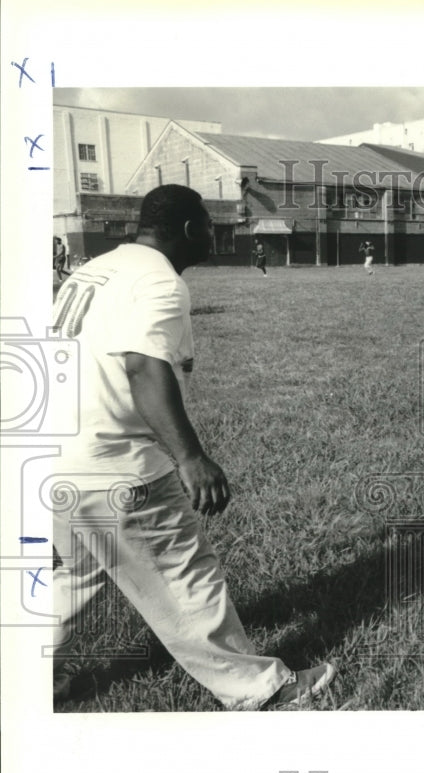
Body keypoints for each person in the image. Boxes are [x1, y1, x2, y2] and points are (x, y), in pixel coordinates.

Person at [49, 185, 334, 709]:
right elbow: (142, 365)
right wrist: (189, 456)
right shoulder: (158, 279)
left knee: (71, 579)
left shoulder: (92, 270)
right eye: (208, 226)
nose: (213, 235)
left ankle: (31, 678)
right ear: (187, 230)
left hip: (52, 457)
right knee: (185, 580)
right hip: (116, 464)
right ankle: (260, 690)